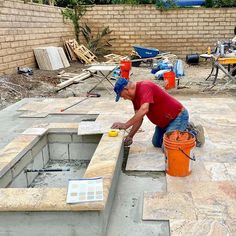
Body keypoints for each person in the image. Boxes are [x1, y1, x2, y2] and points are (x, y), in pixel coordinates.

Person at [111, 78, 204, 147]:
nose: (124, 98)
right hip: (163, 124)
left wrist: (126, 125)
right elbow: (138, 119)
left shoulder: (145, 86)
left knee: (168, 147)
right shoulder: (134, 98)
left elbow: (144, 109)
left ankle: (193, 131)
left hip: (177, 117)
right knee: (156, 143)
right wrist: (130, 136)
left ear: (126, 89)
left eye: (122, 95)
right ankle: (181, 128)